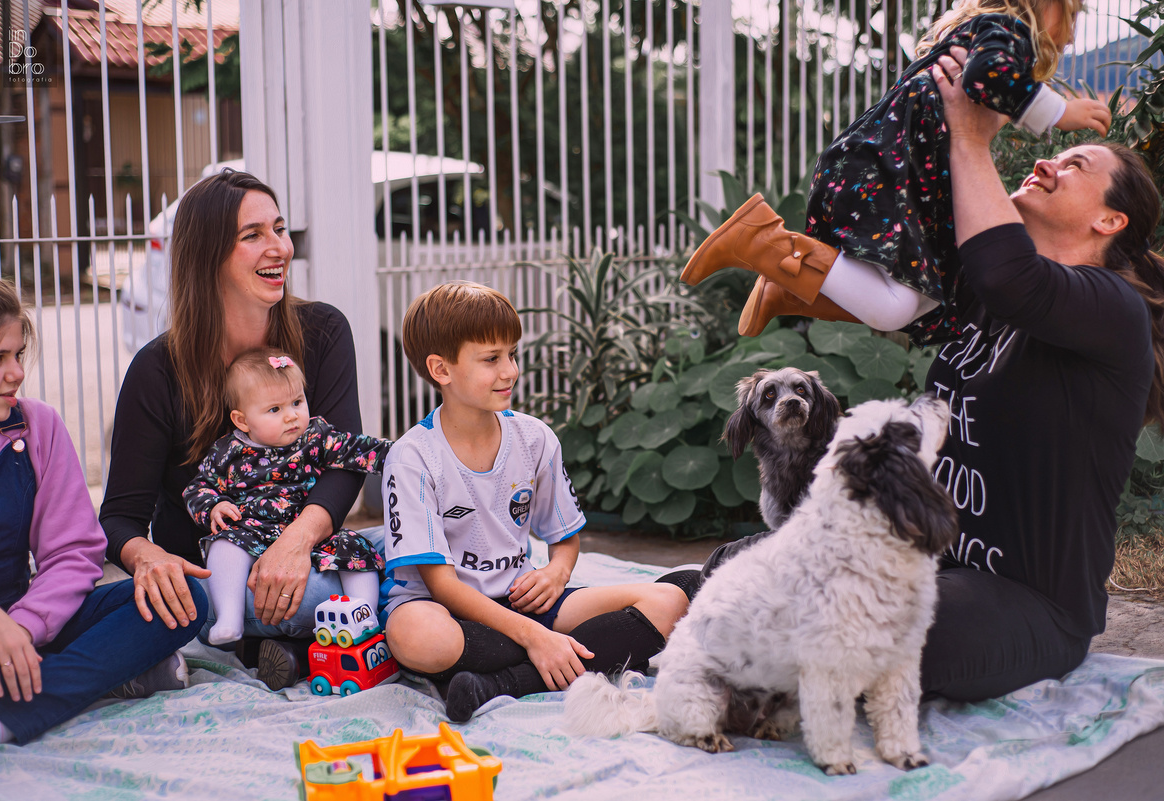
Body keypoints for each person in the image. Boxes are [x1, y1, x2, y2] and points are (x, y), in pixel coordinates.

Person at [700, 50, 1162, 703]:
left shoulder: (1109, 309)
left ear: (1109, 221)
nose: (1047, 162)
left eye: (1074, 164)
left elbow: (1008, 272)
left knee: (854, 622)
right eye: (1058, 154)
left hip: (1028, 604)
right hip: (924, 560)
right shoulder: (992, 297)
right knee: (735, 568)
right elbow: (899, 308)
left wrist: (971, 137)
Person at [680, 0, 1111, 344]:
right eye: (1072, 16)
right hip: (884, 175)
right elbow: (986, 77)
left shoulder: (984, 31)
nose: (1071, 36)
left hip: (897, 176)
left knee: (929, 300)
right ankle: (760, 240)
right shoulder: (1007, 27)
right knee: (893, 308)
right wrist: (1060, 112)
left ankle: (791, 286)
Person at [100, 169, 368, 690]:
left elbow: (344, 461)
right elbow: (119, 518)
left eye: (280, 229)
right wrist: (148, 557)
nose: (280, 248)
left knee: (409, 559)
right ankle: (323, 639)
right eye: (254, 236)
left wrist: (294, 543)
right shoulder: (157, 370)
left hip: (310, 555)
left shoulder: (323, 331)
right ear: (208, 257)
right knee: (391, 596)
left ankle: (288, 651)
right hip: (220, 580)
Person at [381, 282, 691, 722]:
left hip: (522, 603)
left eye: (512, 354)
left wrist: (555, 572)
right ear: (441, 369)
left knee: (670, 602)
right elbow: (442, 586)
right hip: (447, 613)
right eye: (491, 359)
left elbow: (564, 539)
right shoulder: (412, 456)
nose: (510, 371)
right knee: (418, 638)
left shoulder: (535, 437)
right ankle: (560, 656)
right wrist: (532, 635)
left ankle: (502, 682)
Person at [0, 271, 206, 755]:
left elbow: (74, 553)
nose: (16, 373)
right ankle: (100, 676)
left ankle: (5, 715)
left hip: (30, 619)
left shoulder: (35, 426)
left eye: (17, 355)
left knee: (181, 601)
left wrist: (21, 627)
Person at [184, 348, 389, 646]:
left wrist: (404, 454)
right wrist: (213, 506)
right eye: (275, 410)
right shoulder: (227, 452)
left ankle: (365, 617)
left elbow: (357, 449)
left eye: (297, 401)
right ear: (242, 420)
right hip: (251, 531)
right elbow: (197, 487)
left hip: (308, 535)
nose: (292, 415)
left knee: (356, 548)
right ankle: (229, 618)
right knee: (224, 544)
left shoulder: (315, 437)